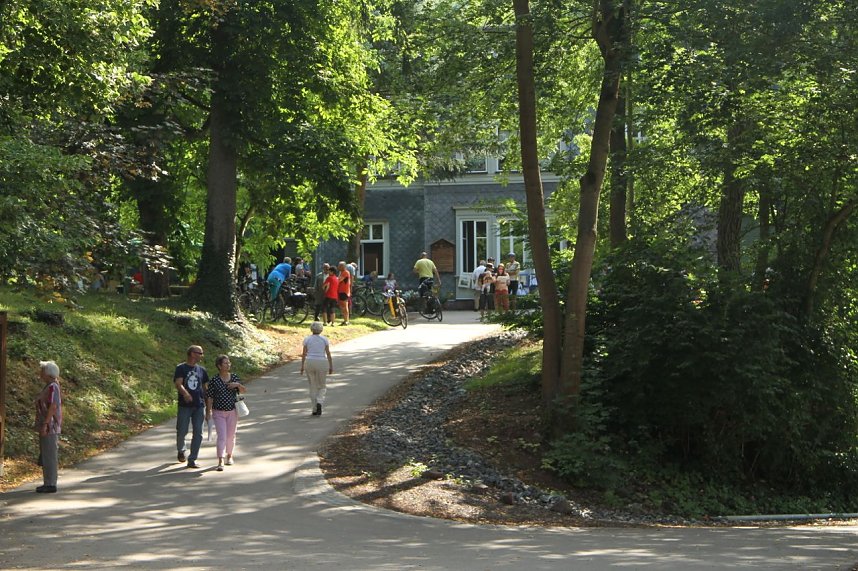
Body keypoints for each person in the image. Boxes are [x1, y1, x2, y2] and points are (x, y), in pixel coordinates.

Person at [206, 355, 246, 471]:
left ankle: (230, 455)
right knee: (222, 436)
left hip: (232, 411)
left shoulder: (234, 377)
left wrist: (237, 385)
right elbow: (209, 397)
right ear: (219, 366)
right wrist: (208, 411)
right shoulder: (214, 380)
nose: (228, 365)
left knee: (231, 435)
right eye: (225, 363)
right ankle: (220, 460)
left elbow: (244, 390)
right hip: (218, 412)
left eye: (229, 363)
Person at [174, 345, 209, 468]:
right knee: (182, 430)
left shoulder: (202, 370)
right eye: (199, 353)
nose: (201, 355)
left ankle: (192, 459)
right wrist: (185, 393)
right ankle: (181, 449)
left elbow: (205, 389)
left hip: (199, 405)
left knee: (198, 433)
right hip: (185, 406)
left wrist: (209, 407)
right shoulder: (181, 368)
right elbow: (178, 383)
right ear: (192, 354)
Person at [34, 360, 62, 493]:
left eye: (42, 371)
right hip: (45, 425)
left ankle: (51, 484)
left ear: (48, 373)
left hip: (50, 426)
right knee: (45, 454)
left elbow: (53, 406)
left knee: (49, 454)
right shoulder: (49, 386)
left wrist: (45, 424)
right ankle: (47, 482)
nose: (40, 373)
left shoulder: (53, 387)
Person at [300, 321, 334, 416]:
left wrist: (302, 366)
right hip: (321, 362)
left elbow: (304, 354)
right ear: (321, 329)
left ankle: (314, 409)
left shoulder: (307, 339)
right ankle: (320, 401)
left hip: (309, 362)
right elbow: (328, 353)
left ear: (311, 329)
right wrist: (331, 365)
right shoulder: (324, 339)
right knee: (322, 385)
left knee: (312, 385)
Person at [337, 261, 351, 326]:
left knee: (345, 306)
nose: (338, 267)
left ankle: (346, 321)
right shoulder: (341, 272)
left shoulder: (345, 272)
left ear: (344, 266)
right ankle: (345, 320)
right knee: (342, 306)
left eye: (340, 266)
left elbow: (339, 280)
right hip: (340, 291)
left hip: (344, 291)